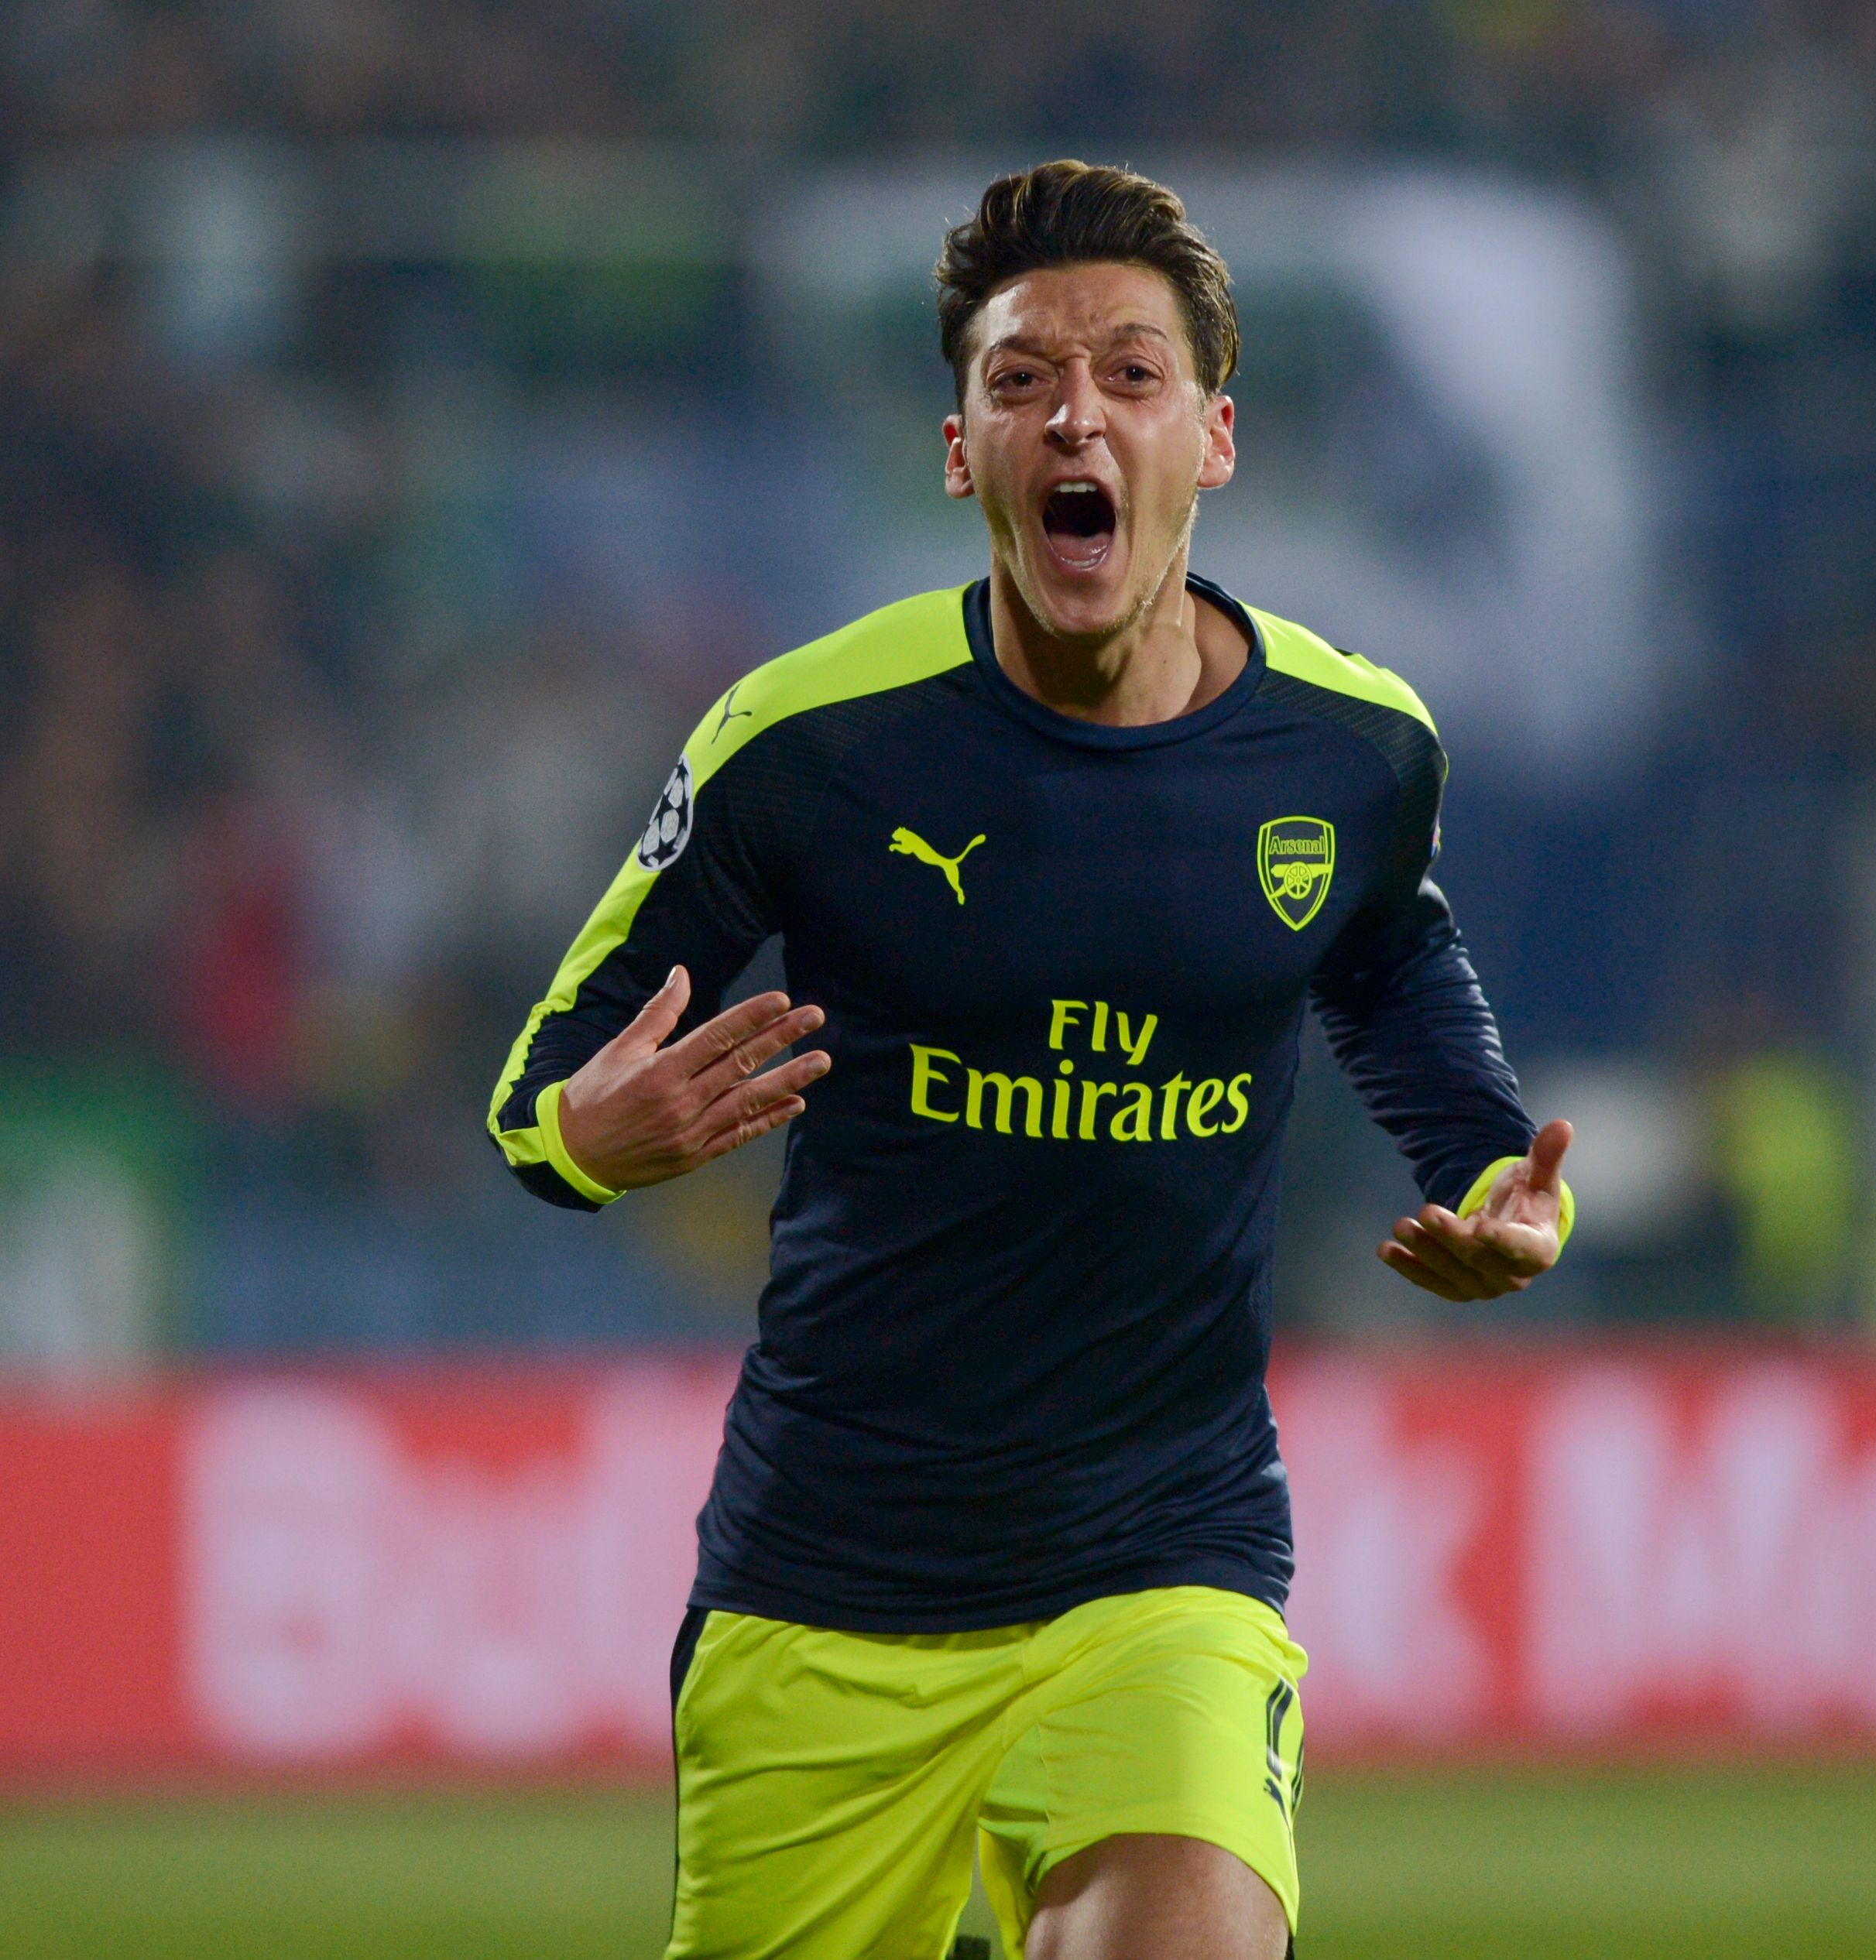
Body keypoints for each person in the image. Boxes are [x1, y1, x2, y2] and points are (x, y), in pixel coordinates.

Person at [488, 161, 1574, 1960]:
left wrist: (1484, 1171)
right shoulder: (805, 742)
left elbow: (1389, 955)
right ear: (960, 452)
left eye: (1132, 374)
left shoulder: (1356, 748)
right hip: (828, 1591)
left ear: (1214, 439)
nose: (1077, 414)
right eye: (1022, 380)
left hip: (1164, 1565)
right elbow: (546, 1080)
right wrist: (583, 1138)